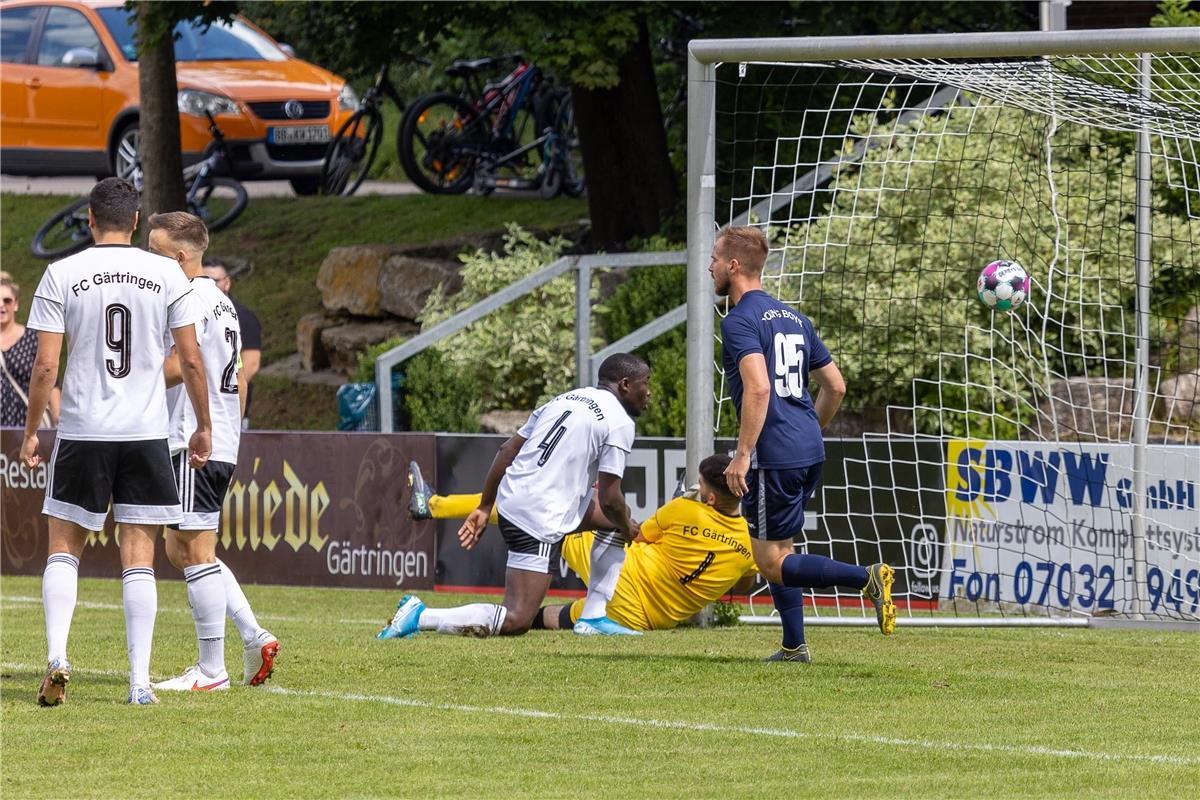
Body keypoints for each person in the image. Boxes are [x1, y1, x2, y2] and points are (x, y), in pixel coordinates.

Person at [21, 177, 212, 706]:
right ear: (134, 221)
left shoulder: (62, 272)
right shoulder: (167, 274)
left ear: (88, 219)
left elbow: (44, 367)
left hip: (83, 431)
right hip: (146, 432)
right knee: (139, 560)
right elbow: (192, 358)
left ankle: (58, 656)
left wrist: (34, 429)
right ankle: (138, 683)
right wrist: (203, 423)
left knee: (63, 550)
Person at [711, 224, 895, 663]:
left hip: (772, 454)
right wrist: (809, 428)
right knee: (781, 547)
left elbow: (758, 389)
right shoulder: (794, 317)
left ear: (733, 266)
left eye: (714, 260)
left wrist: (742, 455)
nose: (710, 268)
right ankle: (794, 646)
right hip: (808, 448)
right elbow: (835, 387)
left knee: (770, 561)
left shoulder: (739, 321)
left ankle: (866, 578)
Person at [377, 353, 651, 639]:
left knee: (616, 520)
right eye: (646, 383)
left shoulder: (565, 399)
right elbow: (609, 498)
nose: (649, 392)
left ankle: (593, 616)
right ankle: (420, 616)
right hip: (540, 516)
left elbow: (506, 450)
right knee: (518, 618)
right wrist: (627, 528)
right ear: (625, 384)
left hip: (514, 498)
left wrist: (485, 506)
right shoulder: (619, 422)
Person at [142, 213, 280, 693]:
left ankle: (211, 670)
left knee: (193, 550)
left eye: (155, 252)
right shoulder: (223, 303)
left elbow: (185, 364)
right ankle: (252, 634)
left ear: (180, 257)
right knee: (180, 546)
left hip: (193, 438)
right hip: (221, 436)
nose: (149, 260)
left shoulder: (187, 299)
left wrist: (134, 379)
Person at [406, 453, 757, 632]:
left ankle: (433, 506)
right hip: (641, 619)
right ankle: (523, 621)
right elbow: (743, 584)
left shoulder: (685, 511)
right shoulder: (747, 545)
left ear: (710, 499)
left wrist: (685, 503)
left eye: (700, 486)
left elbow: (635, 534)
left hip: (623, 576)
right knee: (553, 619)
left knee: (529, 506)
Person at [202, 258, 260, 429]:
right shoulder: (192, 313)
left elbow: (251, 363)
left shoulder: (243, 317)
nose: (210, 286)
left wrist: (225, 393)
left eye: (215, 281)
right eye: (205, 280)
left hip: (229, 409)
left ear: (227, 283)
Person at [1, 272, 60, 428]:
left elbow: (50, 379)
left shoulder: (33, 338)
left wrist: (57, 416)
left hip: (29, 426)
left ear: (16, 304)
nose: (1, 305)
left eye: (7, 301)